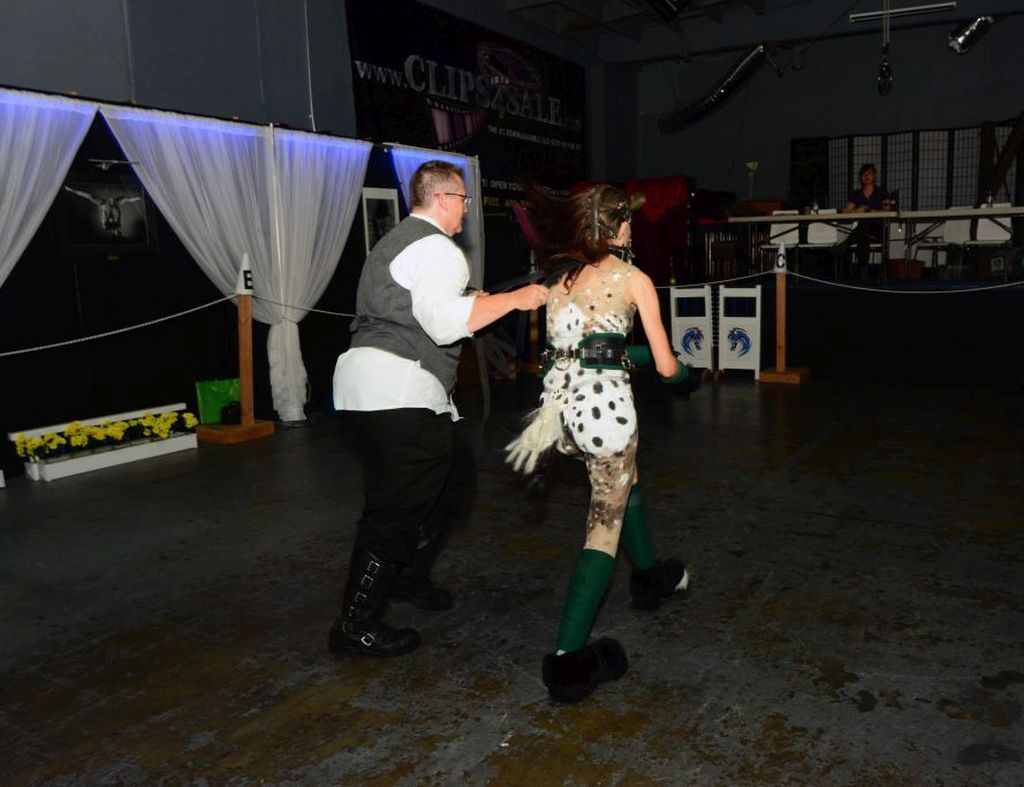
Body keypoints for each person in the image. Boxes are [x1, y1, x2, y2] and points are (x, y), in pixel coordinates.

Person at [330, 160, 549, 658]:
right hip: (398, 389)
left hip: (373, 387)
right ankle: (355, 623)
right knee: (394, 510)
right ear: (445, 198)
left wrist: (470, 300)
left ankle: (406, 578)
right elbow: (444, 325)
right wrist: (515, 300)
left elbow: (421, 306)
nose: (466, 210)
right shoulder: (438, 248)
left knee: (454, 480)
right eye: (464, 200)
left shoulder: (399, 240)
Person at [505, 184, 692, 702]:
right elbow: (666, 365)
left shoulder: (560, 280)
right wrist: (686, 377)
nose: (632, 227)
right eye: (627, 220)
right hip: (606, 418)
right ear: (615, 228)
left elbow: (591, 347)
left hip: (561, 417)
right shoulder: (634, 279)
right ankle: (568, 661)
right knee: (603, 528)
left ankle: (650, 576)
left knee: (625, 484)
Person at [838, 163, 892, 275]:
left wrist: (870, 211)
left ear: (874, 175)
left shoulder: (882, 192)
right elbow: (846, 211)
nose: (866, 176)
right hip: (862, 229)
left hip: (878, 228)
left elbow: (888, 211)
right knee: (863, 235)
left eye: (869, 173)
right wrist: (858, 211)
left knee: (862, 231)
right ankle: (864, 271)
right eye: (864, 174)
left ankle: (844, 245)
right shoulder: (856, 194)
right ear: (860, 177)